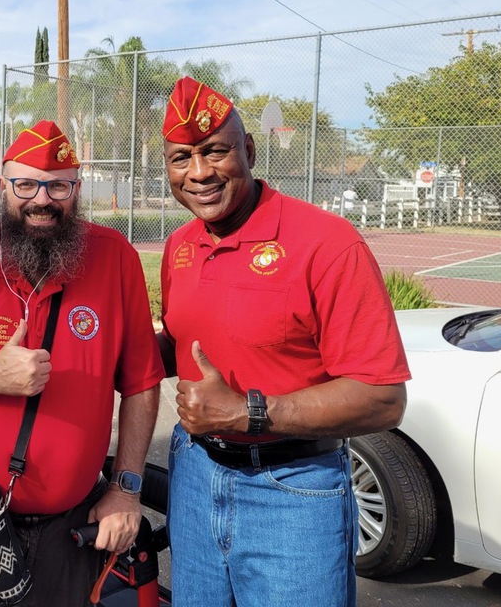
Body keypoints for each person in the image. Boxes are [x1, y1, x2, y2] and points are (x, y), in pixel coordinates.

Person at [158, 77, 411, 607]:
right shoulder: (180, 244)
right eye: (182, 158)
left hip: (293, 488)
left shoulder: (328, 243)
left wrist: (246, 413)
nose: (199, 173)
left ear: (249, 151)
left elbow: (383, 398)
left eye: (215, 151)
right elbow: (183, 342)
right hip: (195, 475)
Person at [0, 120, 165, 607]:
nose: (42, 200)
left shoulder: (115, 260)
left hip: (69, 525)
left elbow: (142, 383)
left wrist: (126, 490)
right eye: (25, 185)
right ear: (3, 187)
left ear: (76, 190)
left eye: (58, 186)